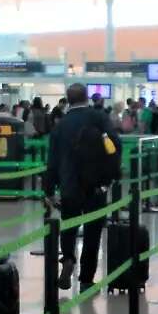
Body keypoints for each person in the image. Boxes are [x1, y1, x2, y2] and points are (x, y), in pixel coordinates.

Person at [47, 81, 120, 290]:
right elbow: (115, 144)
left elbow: (52, 160)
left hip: (69, 185)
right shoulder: (99, 118)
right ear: (87, 98)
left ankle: (68, 258)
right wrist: (112, 176)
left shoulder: (61, 125)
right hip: (96, 185)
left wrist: (49, 190)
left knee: (68, 226)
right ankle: (87, 278)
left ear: (68, 100)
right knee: (93, 230)